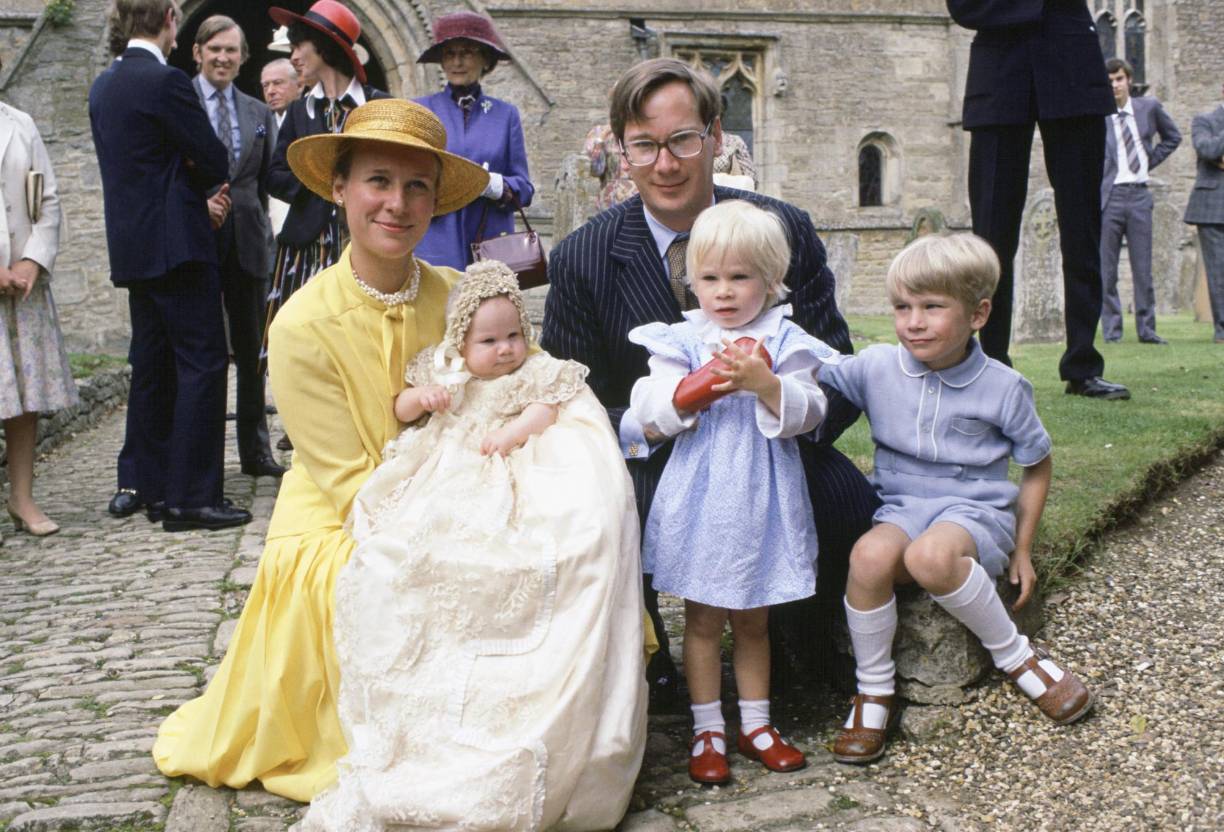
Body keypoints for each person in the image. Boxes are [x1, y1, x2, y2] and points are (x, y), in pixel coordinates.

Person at [152, 98, 492, 801]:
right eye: (377, 181)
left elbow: (518, 393)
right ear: (339, 188)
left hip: (463, 483)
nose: (397, 204)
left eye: (417, 185)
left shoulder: (463, 299)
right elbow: (352, 481)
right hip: (347, 505)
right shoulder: (303, 323)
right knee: (364, 576)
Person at [542, 58, 878, 710]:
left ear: (715, 138)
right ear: (623, 150)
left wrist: (783, 405)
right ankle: (645, 667)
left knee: (851, 508)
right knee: (602, 513)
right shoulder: (584, 257)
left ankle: (806, 646)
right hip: (656, 454)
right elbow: (571, 399)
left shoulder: (782, 229)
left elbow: (835, 370)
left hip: (773, 444)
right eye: (645, 145)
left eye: (682, 140)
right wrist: (663, 417)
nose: (665, 164)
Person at [298, 261, 646, 830]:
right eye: (489, 340)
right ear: (462, 341)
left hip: (517, 471)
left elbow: (547, 408)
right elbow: (402, 407)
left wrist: (513, 433)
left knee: (521, 553)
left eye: (513, 336)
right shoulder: (448, 373)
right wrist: (426, 399)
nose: (505, 350)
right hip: (454, 471)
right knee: (409, 552)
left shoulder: (536, 373)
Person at [821, 233, 1093, 765]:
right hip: (901, 508)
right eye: (902, 307)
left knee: (931, 557)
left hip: (974, 512)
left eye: (931, 307)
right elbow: (813, 366)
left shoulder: (1003, 386)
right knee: (868, 556)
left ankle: (1015, 656)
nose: (913, 322)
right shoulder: (878, 365)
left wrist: (1022, 548)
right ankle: (874, 688)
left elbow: (1036, 462)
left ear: (978, 313)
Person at [627, 200, 840, 784]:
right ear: (691, 281)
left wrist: (767, 385)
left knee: (753, 620)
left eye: (740, 277)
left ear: (771, 282)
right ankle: (707, 729)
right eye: (710, 278)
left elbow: (811, 410)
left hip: (763, 494)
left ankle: (756, 722)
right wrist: (689, 395)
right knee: (702, 618)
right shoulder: (683, 339)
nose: (723, 292)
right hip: (702, 493)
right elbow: (651, 405)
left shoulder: (785, 337)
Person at [89, 0, 251, 531]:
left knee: (155, 369)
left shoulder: (104, 86)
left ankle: (155, 487)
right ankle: (191, 498)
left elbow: (137, 167)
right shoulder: (167, 83)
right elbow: (212, 156)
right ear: (169, 22)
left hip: (134, 250)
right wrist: (192, 177)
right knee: (204, 365)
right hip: (179, 246)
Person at [948, 0, 1130, 400]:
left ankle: (1082, 366)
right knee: (992, 237)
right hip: (999, 79)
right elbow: (963, 8)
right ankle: (990, 361)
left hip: (1073, 74)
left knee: (1082, 231)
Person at [261, 0, 388, 371]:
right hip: (306, 250)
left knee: (363, 339)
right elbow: (275, 175)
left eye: (300, 45)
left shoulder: (378, 106)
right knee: (304, 343)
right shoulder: (301, 112)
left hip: (366, 244)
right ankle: (302, 424)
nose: (294, 55)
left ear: (325, 45)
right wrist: (321, 184)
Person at [192, 16, 284, 479]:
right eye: (215, 50)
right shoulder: (179, 102)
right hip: (195, 240)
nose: (223, 58)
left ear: (242, 58)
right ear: (197, 53)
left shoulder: (257, 112)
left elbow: (268, 181)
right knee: (200, 353)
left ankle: (256, 453)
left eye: (231, 51)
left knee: (252, 354)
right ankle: (200, 457)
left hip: (248, 241)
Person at [0, 76, 77, 540]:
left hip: (22, 287)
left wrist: (31, 261)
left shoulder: (20, 123)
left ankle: (22, 497)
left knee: (23, 400)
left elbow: (46, 198)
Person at [413, 11, 534, 271]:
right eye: (449, 53)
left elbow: (524, 189)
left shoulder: (505, 115)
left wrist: (494, 185)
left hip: (490, 246)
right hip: (435, 244)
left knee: (487, 310)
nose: (457, 61)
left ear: (485, 59)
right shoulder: (421, 110)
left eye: (467, 52)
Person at [1100, 57, 1181, 345]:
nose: (1115, 86)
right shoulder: (1100, 116)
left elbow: (1173, 137)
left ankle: (1147, 330)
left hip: (1139, 195)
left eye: (1119, 79)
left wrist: (1149, 161)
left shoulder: (1149, 108)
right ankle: (1112, 332)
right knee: (1106, 270)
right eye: (1109, 81)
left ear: (1129, 81)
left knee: (1142, 267)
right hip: (1110, 197)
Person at [1183, 80, 1224, 344]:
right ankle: (1222, 329)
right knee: (1219, 270)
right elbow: (1208, 149)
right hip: (1212, 206)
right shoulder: (1204, 121)